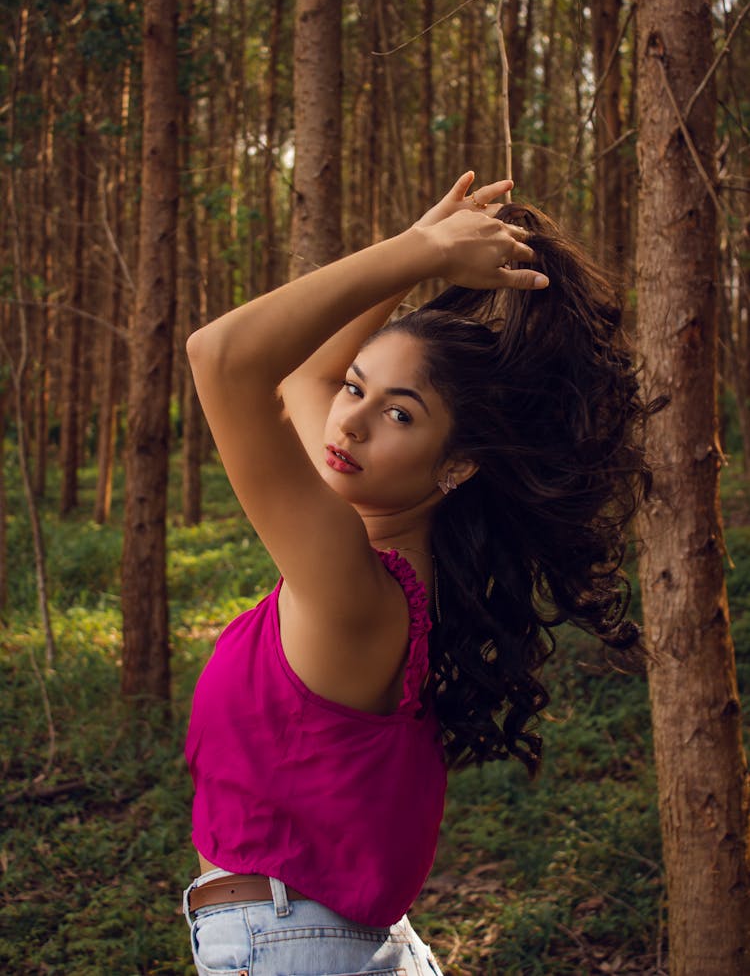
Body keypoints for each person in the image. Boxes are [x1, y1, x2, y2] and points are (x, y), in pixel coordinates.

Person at [182, 172, 654, 976]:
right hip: (339, 940)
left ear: (458, 463)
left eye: (400, 413)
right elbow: (303, 379)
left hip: (294, 949)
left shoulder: (350, 585)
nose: (352, 419)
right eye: (359, 390)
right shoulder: (387, 561)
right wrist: (414, 260)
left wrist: (418, 252)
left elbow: (220, 358)